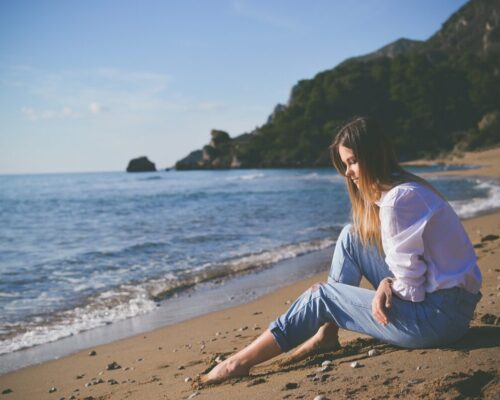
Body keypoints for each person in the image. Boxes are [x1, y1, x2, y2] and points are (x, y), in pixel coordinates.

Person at [201, 116, 482, 384]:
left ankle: (237, 363)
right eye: (345, 163)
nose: (347, 172)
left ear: (372, 156)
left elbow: (412, 290)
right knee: (351, 236)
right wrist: (388, 283)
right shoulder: (406, 189)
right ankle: (326, 335)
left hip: (437, 320)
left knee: (322, 296)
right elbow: (418, 276)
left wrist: (388, 285)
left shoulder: (398, 201)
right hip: (449, 308)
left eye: (353, 162)